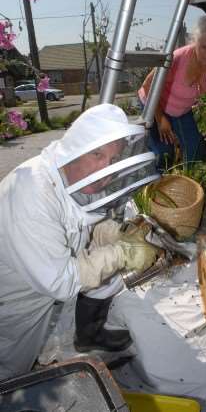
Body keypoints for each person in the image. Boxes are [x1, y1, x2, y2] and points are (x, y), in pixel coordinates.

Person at [0, 103, 161, 381]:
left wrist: (117, 233)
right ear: (75, 146)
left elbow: (82, 223)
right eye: (97, 154)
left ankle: (88, 336)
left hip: (36, 298)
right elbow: (60, 281)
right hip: (12, 306)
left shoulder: (73, 178)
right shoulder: (31, 192)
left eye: (113, 160)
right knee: (11, 369)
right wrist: (123, 253)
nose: (105, 170)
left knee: (24, 360)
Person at [138, 15, 206, 168]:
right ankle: (156, 186)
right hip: (153, 104)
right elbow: (148, 86)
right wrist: (160, 118)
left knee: (194, 148)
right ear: (195, 42)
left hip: (181, 110)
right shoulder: (176, 59)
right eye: (203, 47)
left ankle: (190, 184)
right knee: (163, 154)